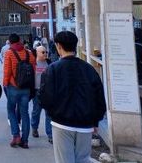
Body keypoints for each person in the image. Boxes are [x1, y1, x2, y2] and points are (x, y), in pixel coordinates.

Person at [39, 31, 106, 163]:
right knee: (83, 159)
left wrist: (54, 113)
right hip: (85, 124)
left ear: (58, 46)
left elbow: (44, 98)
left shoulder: (52, 69)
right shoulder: (89, 69)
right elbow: (99, 97)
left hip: (62, 123)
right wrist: (95, 120)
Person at [4, 33, 36, 148]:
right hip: (26, 88)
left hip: (13, 87)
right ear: (20, 41)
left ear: (10, 42)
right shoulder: (29, 53)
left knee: (11, 110)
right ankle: (25, 140)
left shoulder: (9, 53)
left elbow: (7, 71)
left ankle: (16, 136)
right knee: (24, 113)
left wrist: (5, 84)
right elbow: (33, 69)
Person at [31, 45, 52, 143]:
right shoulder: (33, 63)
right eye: (43, 52)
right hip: (37, 91)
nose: (45, 54)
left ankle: (50, 134)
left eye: (46, 52)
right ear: (37, 53)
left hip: (47, 91)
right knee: (36, 111)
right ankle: (34, 128)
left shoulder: (49, 63)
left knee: (49, 113)